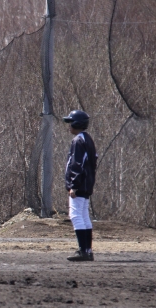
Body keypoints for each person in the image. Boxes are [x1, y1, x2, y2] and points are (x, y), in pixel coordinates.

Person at [63, 110, 97, 262]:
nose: (69, 126)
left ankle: (83, 251)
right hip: (86, 183)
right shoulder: (86, 139)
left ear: (77, 124)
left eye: (71, 122)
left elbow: (77, 165)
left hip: (80, 185)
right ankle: (88, 251)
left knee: (75, 215)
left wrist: (74, 185)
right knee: (83, 215)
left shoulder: (78, 140)